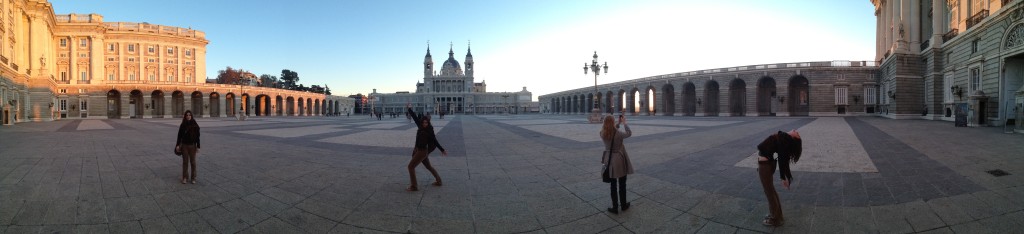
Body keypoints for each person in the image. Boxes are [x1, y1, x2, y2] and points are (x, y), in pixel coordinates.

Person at [756, 129, 802, 227]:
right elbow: (783, 159)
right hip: (766, 164)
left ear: (794, 138)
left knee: (769, 192)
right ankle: (777, 214)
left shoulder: (784, 140)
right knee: (771, 191)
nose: (796, 131)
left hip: (765, 166)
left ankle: (775, 219)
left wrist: (783, 177)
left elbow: (782, 160)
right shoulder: (783, 138)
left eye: (797, 134)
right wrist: (784, 177)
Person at [405, 104, 447, 191]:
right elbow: (414, 117)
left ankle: (414, 186)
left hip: (422, 151)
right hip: (419, 150)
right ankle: (439, 181)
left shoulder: (430, 130)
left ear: (428, 123)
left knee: (410, 167)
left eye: (426, 122)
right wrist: (409, 109)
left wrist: (442, 149)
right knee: (428, 167)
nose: (424, 124)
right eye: (423, 122)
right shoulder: (420, 127)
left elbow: (435, 141)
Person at [600, 115, 633, 214]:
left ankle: (615, 207)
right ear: (613, 122)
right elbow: (629, 133)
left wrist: (617, 124)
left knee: (613, 185)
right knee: (622, 183)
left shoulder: (602, 133)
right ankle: (623, 205)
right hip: (619, 159)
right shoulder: (618, 134)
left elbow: (612, 130)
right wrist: (624, 123)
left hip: (608, 160)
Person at [175, 110, 201, 184]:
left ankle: (193, 178)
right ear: (185, 116)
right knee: (185, 162)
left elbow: (197, 137)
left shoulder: (195, 125)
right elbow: (179, 136)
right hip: (184, 146)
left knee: (193, 162)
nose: (188, 116)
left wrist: (198, 146)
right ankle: (185, 177)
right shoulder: (183, 125)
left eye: (189, 115)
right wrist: (177, 145)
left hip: (193, 146)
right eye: (187, 115)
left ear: (191, 116)